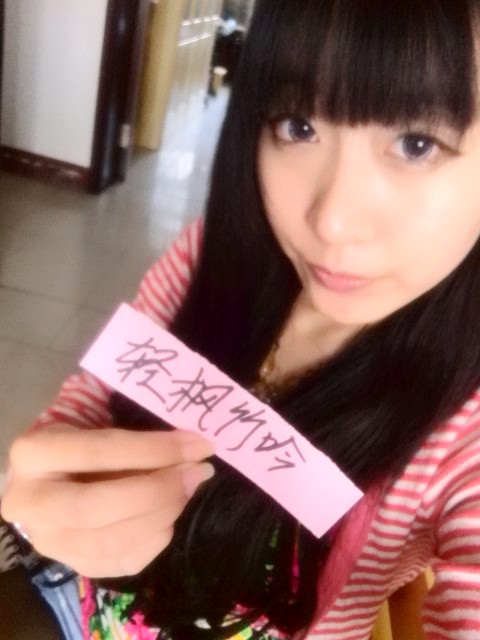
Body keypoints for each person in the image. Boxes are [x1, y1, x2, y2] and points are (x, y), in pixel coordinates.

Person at [2, 1, 480, 638]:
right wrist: (45, 501)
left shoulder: (463, 434)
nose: (331, 222)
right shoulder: (209, 254)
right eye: (298, 126)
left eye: (416, 143)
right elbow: (85, 406)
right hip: (73, 603)